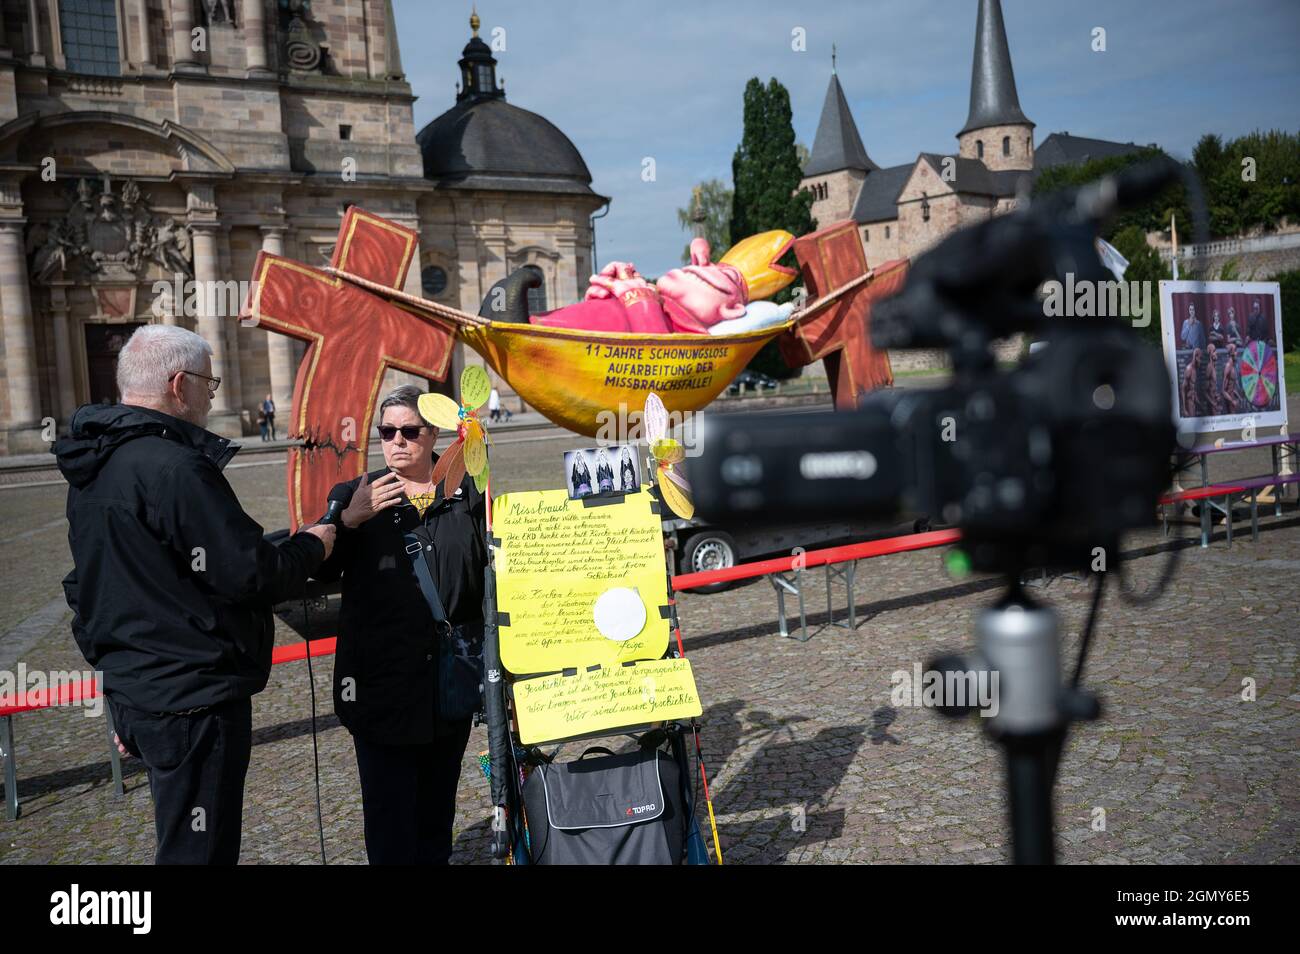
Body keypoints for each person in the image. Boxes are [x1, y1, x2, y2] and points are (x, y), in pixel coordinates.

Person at [53, 324, 335, 865]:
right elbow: (250, 575)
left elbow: (90, 587)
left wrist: (124, 689)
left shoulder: (95, 465)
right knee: (198, 851)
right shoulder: (176, 467)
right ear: (179, 384)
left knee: (183, 837)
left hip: (145, 693)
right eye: (209, 382)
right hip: (194, 698)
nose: (213, 394)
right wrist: (314, 546)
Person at [313, 385, 488, 864]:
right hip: (380, 692)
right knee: (390, 827)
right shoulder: (354, 494)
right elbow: (319, 572)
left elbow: (486, 578)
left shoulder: (467, 492)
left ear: (434, 435)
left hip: (447, 686)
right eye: (387, 431)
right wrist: (348, 520)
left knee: (436, 819)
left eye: (410, 431)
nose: (397, 441)